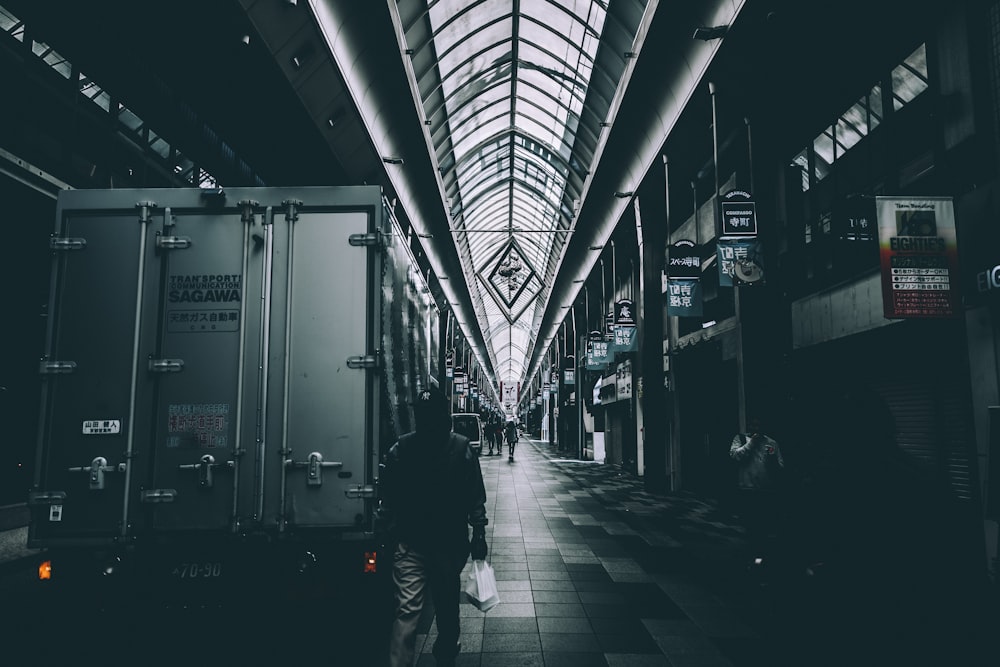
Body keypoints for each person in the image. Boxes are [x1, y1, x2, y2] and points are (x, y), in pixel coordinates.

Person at [380, 386, 489, 667]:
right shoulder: (453, 448)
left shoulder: (404, 449)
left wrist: (479, 532)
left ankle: (444, 653)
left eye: (430, 415)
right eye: (422, 415)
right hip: (427, 545)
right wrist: (477, 533)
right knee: (428, 609)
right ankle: (437, 656)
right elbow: (475, 497)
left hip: (437, 547)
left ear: (442, 416)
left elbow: (474, 496)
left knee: (431, 611)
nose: (426, 421)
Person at [729, 415, 784, 560]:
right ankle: (749, 556)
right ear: (748, 426)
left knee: (764, 527)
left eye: (758, 426)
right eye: (753, 425)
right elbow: (735, 456)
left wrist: (772, 460)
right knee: (749, 526)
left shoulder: (772, 443)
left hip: (766, 491)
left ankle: (760, 556)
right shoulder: (739, 439)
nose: (756, 429)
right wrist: (751, 443)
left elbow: (780, 467)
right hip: (746, 489)